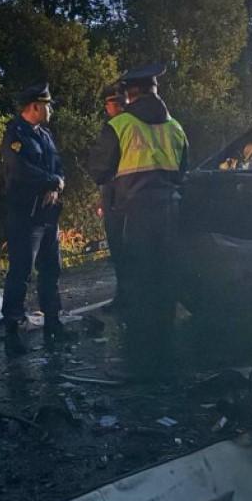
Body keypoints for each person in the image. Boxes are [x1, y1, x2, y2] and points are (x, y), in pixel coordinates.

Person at [87, 63, 189, 377]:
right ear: (155, 91)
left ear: (130, 94)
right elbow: (184, 172)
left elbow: (99, 171)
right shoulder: (176, 128)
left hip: (135, 215)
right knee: (165, 283)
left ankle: (140, 363)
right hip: (171, 214)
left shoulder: (121, 126)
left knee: (139, 285)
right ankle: (166, 357)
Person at [1, 81, 66, 356]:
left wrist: (58, 181)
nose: (50, 110)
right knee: (21, 271)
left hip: (48, 214)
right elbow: (19, 170)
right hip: (25, 215)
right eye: (47, 105)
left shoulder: (45, 135)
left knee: (51, 269)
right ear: (35, 106)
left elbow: (57, 166)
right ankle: (12, 329)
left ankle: (53, 321)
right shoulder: (15, 135)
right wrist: (51, 181)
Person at [99, 83, 128, 310]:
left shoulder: (116, 126)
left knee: (120, 250)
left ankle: (124, 297)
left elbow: (101, 166)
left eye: (108, 103)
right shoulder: (143, 123)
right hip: (138, 197)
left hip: (118, 197)